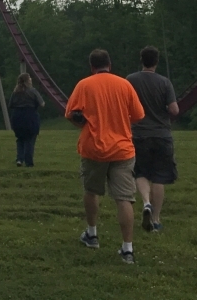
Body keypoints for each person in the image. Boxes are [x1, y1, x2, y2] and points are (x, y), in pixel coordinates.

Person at [65, 49, 145, 264]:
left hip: (94, 148)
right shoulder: (124, 85)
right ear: (110, 64)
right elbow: (137, 115)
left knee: (91, 191)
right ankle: (127, 248)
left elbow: (71, 114)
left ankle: (92, 234)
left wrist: (82, 122)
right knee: (124, 198)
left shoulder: (84, 85)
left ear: (92, 67)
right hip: (122, 149)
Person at [126, 47, 178, 234]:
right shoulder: (165, 82)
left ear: (142, 60)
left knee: (140, 172)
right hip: (161, 134)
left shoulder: (130, 80)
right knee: (159, 176)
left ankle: (146, 202)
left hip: (138, 133)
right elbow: (174, 110)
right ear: (156, 62)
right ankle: (155, 219)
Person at [8, 73, 45, 167]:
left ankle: (19, 159)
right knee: (29, 139)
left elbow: (11, 105)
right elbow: (42, 103)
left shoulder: (15, 92)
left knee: (20, 139)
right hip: (30, 116)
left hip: (17, 116)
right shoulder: (32, 91)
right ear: (28, 81)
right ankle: (29, 162)